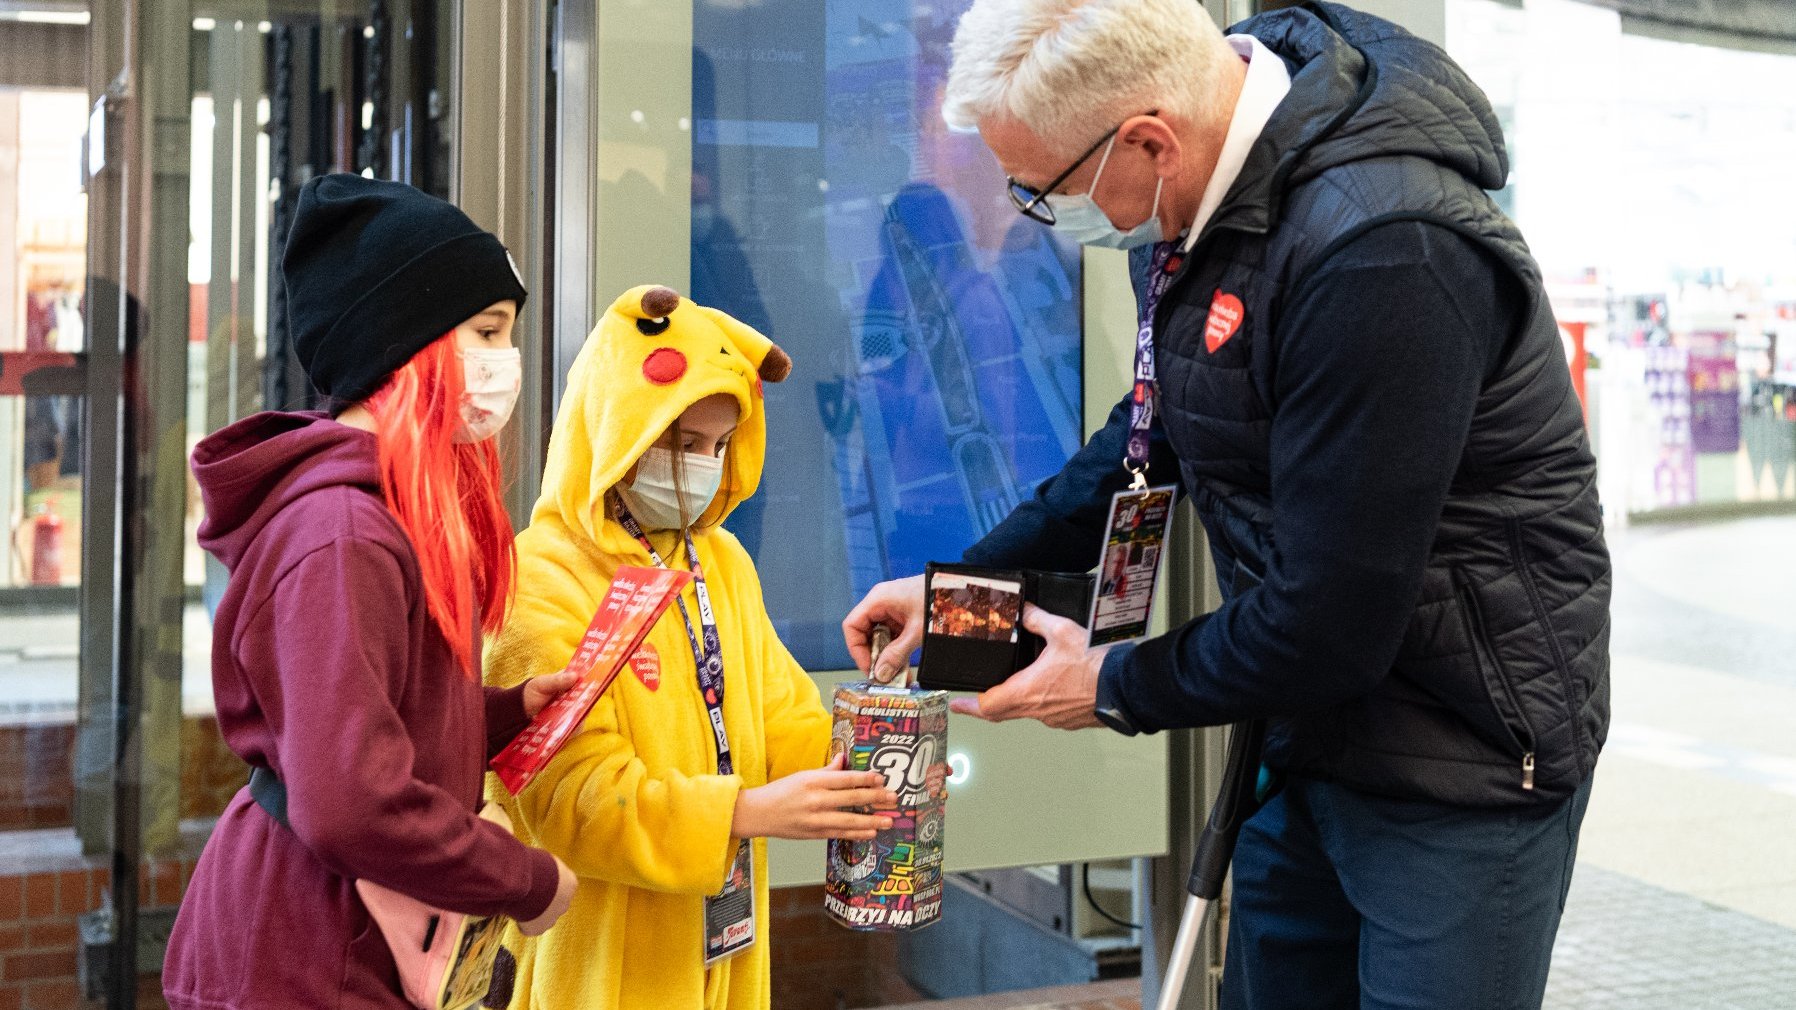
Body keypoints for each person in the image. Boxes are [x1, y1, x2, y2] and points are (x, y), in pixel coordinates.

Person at [843, 3, 1610, 1008]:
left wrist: (1111, 684)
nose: (1038, 214)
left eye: (1047, 192)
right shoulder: (1198, 202)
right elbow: (1143, 439)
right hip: (1305, 731)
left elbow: (1331, 615)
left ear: (1147, 139)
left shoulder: (1385, 252)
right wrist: (961, 590)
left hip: (1456, 755)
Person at [165, 175, 578, 1010]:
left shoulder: (377, 517)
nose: (506, 363)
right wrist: (527, 881)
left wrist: (504, 711)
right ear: (409, 345)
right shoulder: (343, 534)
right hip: (305, 951)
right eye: (487, 331)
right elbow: (351, 800)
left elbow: (370, 718)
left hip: (342, 937)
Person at [484, 284, 898, 1010]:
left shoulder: (721, 560)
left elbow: (780, 715)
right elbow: (571, 804)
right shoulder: (538, 580)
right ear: (613, 427)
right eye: (679, 443)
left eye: (716, 446)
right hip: (594, 968)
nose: (702, 466)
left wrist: (867, 755)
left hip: (722, 949)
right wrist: (745, 813)